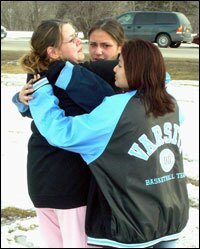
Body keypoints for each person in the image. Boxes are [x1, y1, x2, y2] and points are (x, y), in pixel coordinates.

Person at [28, 39, 189, 248]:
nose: (114, 68)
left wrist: (40, 93)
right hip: (170, 216)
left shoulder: (116, 109)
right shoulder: (170, 103)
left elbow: (63, 133)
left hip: (131, 223)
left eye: (120, 65)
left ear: (135, 70)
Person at [12, 19, 118, 248]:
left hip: (40, 180)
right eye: (72, 39)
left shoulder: (38, 76)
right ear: (53, 51)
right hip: (69, 182)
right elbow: (110, 102)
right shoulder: (69, 74)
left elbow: (29, 106)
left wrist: (19, 101)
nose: (80, 42)